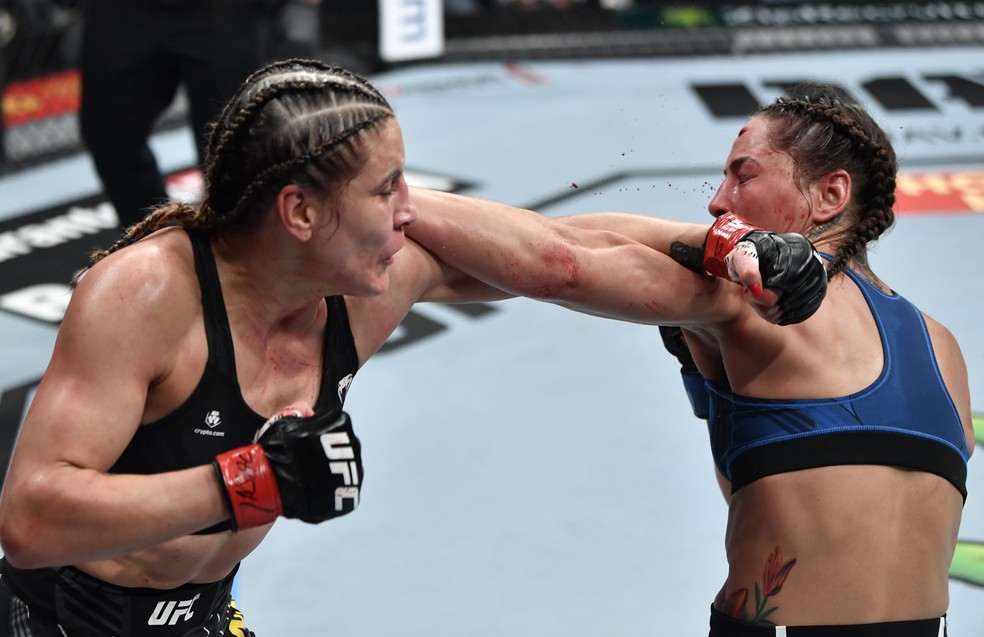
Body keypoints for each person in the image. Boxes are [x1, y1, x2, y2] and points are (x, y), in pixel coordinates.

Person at [0, 58, 825, 636]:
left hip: (205, 616)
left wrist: (726, 245)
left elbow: (560, 252)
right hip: (57, 618)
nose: (413, 209)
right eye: (387, 186)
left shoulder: (370, 285)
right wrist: (251, 481)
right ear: (300, 212)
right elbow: (30, 520)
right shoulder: (146, 294)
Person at [403, 83, 973, 636]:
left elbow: (560, 260)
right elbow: (780, 495)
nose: (718, 201)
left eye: (743, 175)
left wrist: (383, 196)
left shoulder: (745, 299)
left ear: (829, 196)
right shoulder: (942, 346)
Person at [77, 0, 287, 229]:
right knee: (106, 130)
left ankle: (231, 238)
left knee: (231, 144)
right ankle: (151, 235)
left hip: (220, 10)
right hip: (123, 10)